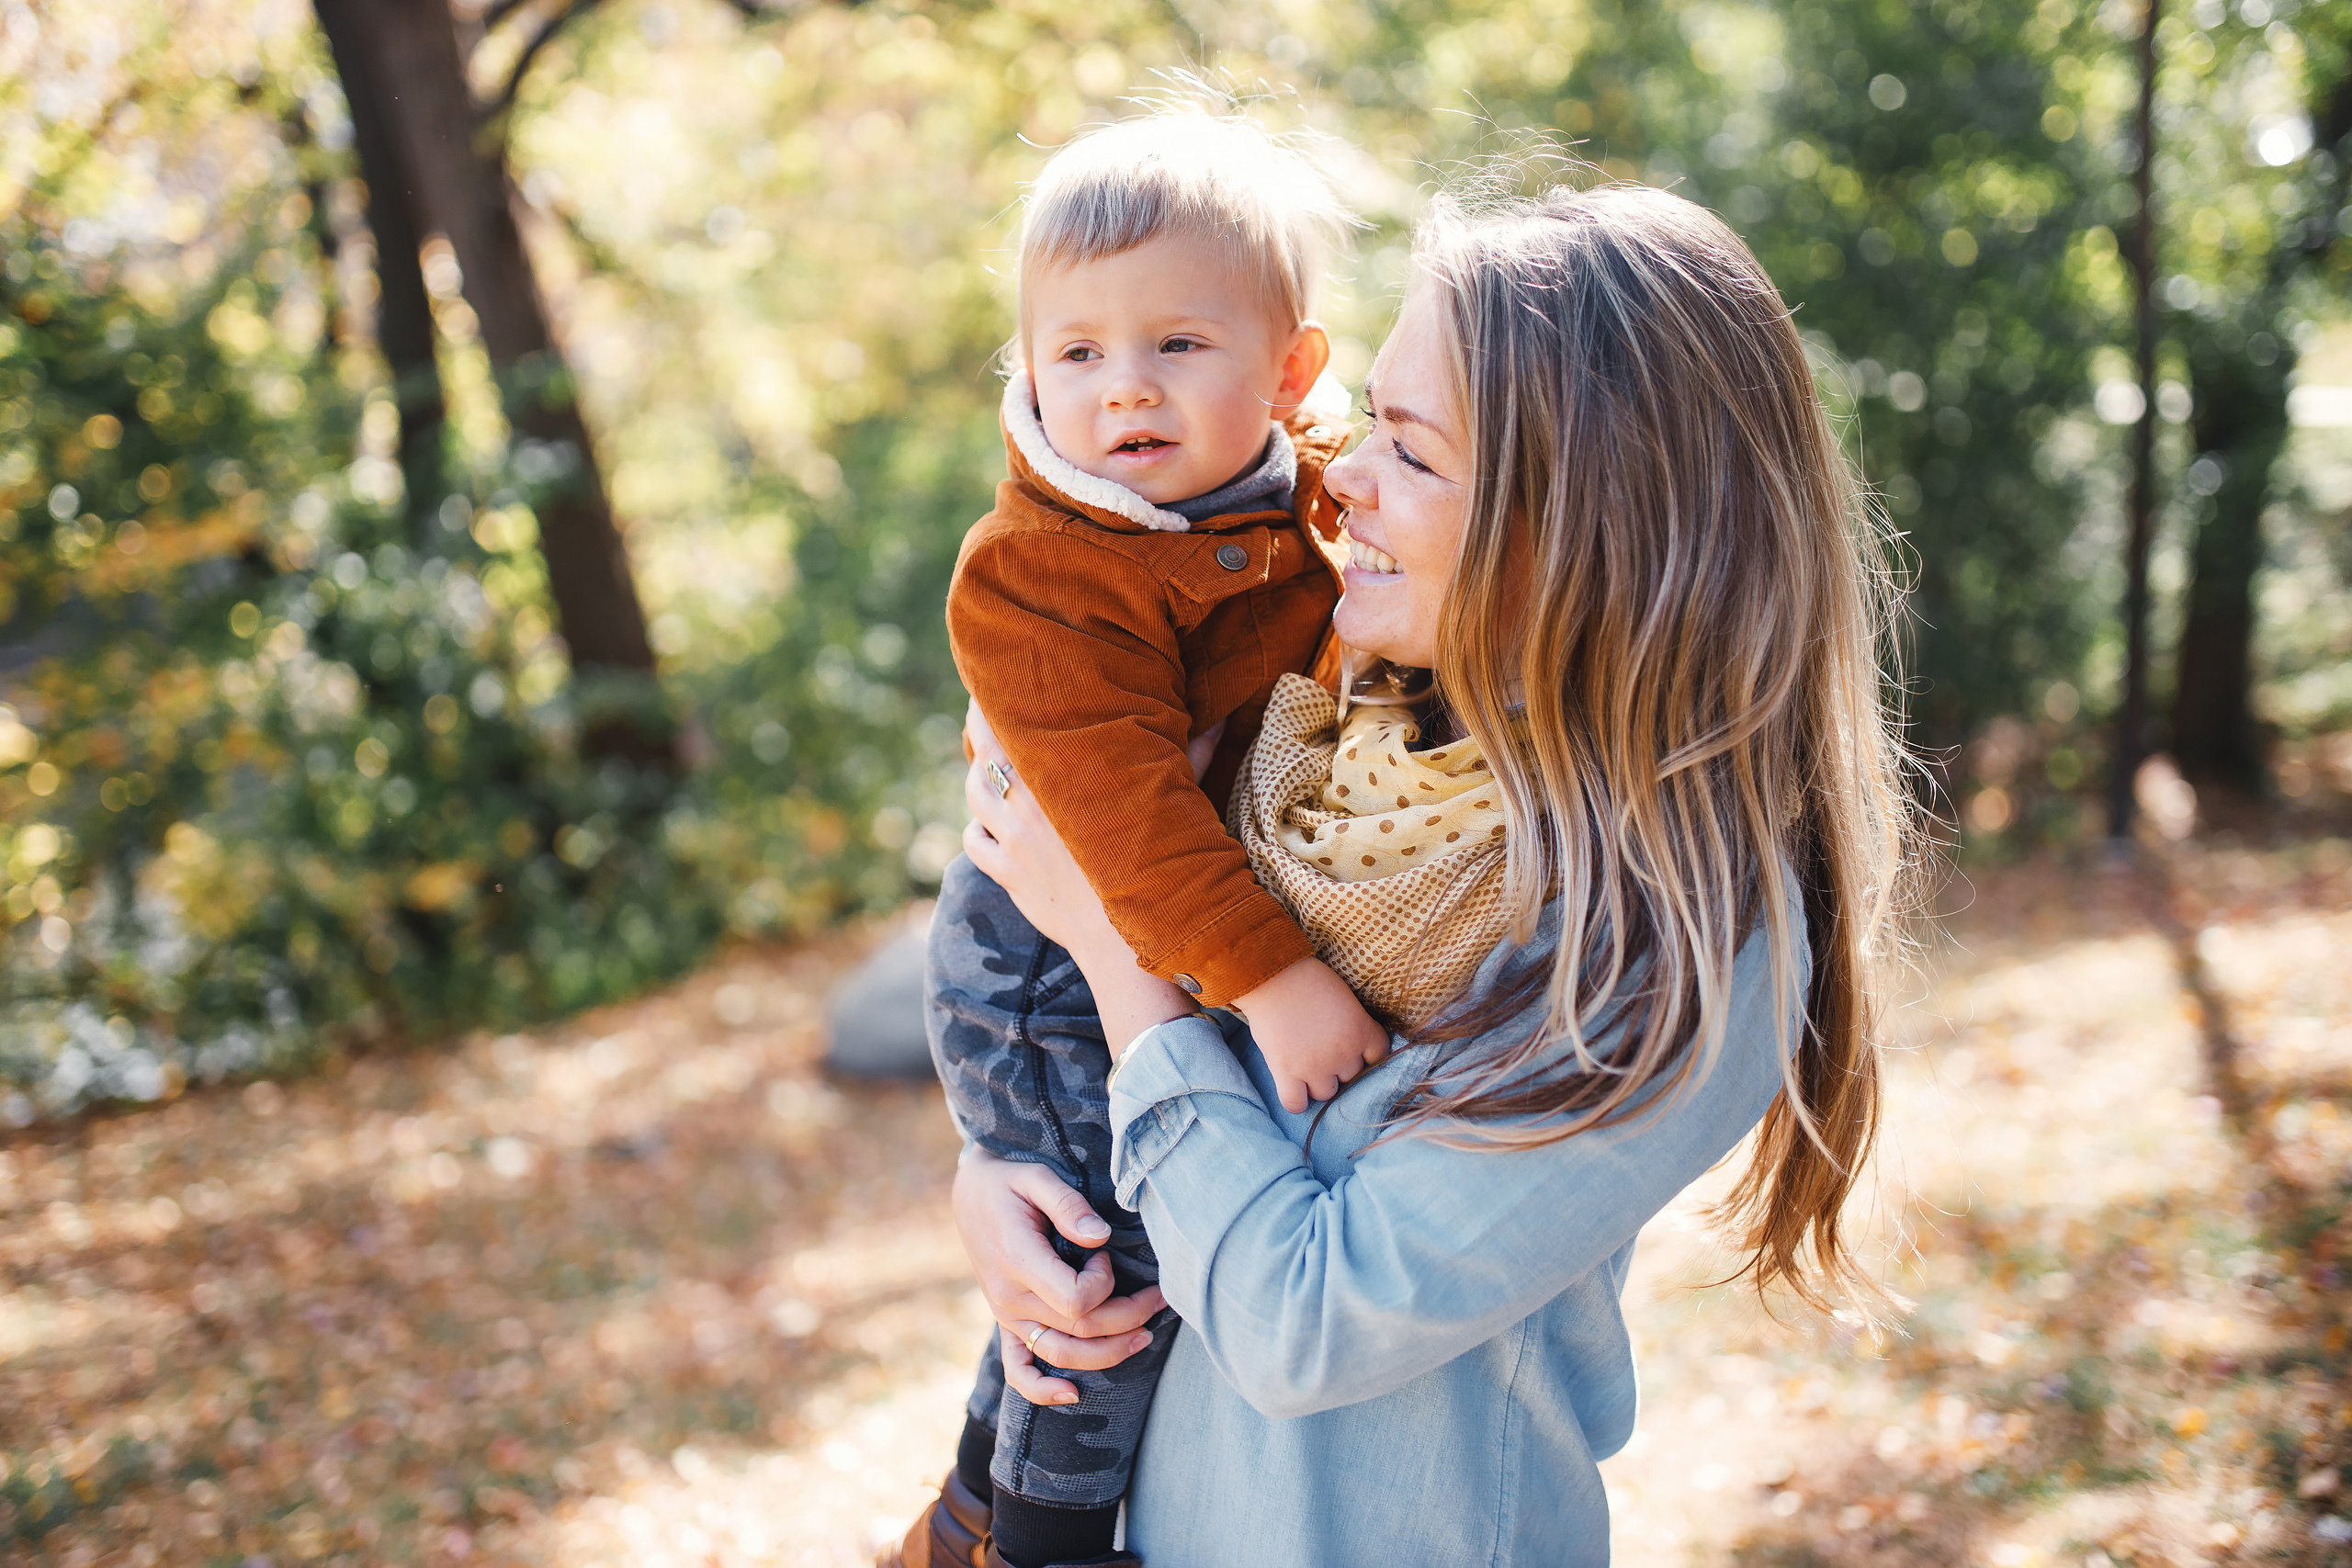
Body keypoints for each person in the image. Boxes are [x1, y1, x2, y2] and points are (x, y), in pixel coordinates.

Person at [950, 176, 1916, 1567]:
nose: (1334, 471)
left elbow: (1303, 1319)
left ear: (1578, 520)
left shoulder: (1671, 927)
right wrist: (1009, 1172)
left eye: (1407, 447)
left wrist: (1119, 966)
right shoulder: (1325, 727)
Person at [891, 109, 1395, 1568]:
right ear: (1028, 368)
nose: (1126, 393)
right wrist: (1271, 983)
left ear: (1291, 369)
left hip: (1146, 926)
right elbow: (1128, 828)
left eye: (1179, 346)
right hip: (1047, 962)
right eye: (1079, 354)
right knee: (1106, 1282)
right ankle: (1042, 1540)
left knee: (1115, 1250)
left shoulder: (1300, 481)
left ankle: (969, 1507)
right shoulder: (1041, 576)